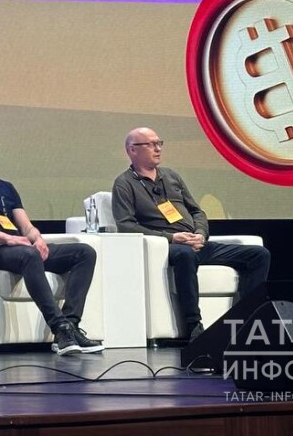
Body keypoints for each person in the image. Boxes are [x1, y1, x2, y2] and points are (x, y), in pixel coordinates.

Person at [0, 123, 103, 355]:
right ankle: (59, 327)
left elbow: (25, 225)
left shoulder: (5, 188)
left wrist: (37, 238)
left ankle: (71, 326)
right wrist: (7, 238)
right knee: (28, 254)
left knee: (84, 252)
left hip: (21, 247)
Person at [113, 127, 271, 341]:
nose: (158, 149)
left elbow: (197, 211)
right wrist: (171, 238)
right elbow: (126, 225)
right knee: (185, 255)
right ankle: (194, 325)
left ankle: (246, 320)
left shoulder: (171, 176)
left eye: (159, 143)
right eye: (151, 144)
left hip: (196, 242)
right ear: (132, 150)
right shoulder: (124, 184)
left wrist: (200, 233)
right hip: (168, 247)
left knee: (258, 255)